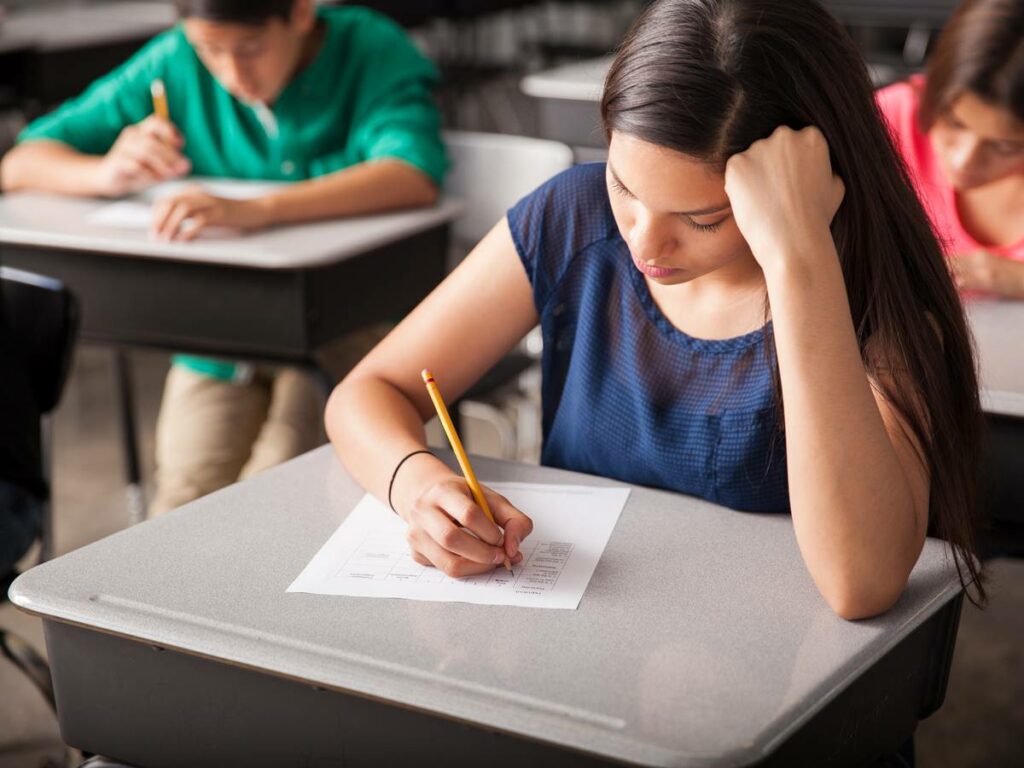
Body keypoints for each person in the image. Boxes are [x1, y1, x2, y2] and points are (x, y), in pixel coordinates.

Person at [327, 0, 986, 634]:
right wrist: (418, 485)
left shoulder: (869, 293)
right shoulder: (571, 217)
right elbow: (368, 391)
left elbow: (860, 582)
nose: (644, 243)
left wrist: (798, 260)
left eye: (702, 219)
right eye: (624, 186)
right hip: (580, 656)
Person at [0, 0, 446, 516]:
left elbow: (411, 174)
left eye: (251, 49)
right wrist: (106, 173)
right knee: (182, 499)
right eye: (211, 51)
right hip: (223, 334)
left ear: (300, 13)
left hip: (350, 325)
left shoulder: (368, 49)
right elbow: (21, 161)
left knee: (279, 494)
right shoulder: (175, 60)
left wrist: (261, 209)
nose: (233, 74)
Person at [876, 0, 1024, 296]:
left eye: (1004, 146)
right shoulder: (890, 121)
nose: (964, 160)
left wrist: (1003, 275)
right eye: (953, 122)